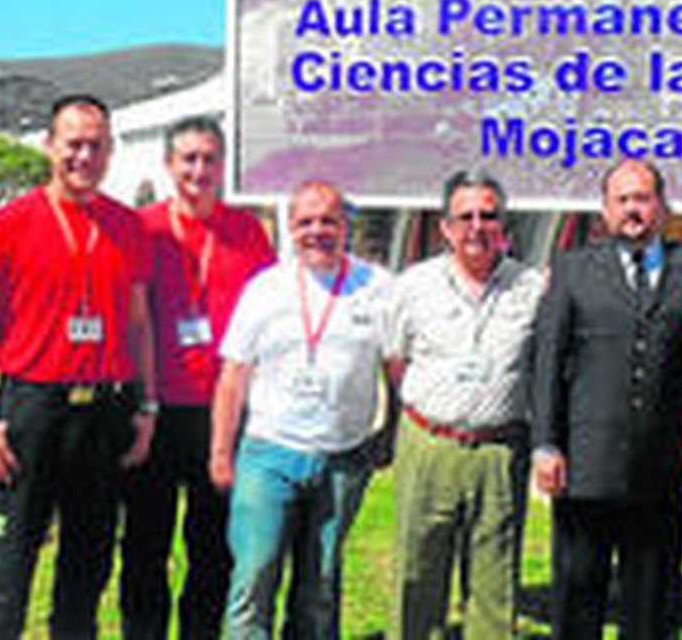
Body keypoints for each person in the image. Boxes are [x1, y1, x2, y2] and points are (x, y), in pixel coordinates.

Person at [0, 94, 157, 636]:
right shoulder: (5, 226)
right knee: (4, 570)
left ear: (111, 150)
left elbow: (139, 326)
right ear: (50, 146)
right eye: (74, 144)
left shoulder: (126, 227)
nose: (85, 156)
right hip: (31, 414)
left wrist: (148, 408)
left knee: (87, 571)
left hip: (104, 415)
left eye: (97, 145)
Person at [531, 159, 682, 639]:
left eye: (643, 198)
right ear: (605, 209)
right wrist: (546, 444)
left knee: (653, 608)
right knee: (578, 599)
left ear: (662, 205)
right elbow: (549, 361)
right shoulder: (572, 269)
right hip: (585, 467)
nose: (633, 210)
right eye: (623, 200)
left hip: (661, 468)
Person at [209, 180, 392, 639]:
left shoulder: (378, 287)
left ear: (345, 224)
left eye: (328, 220)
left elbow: (397, 369)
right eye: (305, 222)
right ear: (290, 228)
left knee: (321, 585)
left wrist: (389, 438)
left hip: (343, 458)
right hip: (269, 454)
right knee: (254, 578)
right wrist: (220, 452)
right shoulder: (265, 289)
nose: (317, 231)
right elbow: (233, 377)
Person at [120, 116, 276, 639]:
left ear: (223, 165)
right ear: (169, 165)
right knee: (145, 544)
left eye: (209, 158)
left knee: (213, 547)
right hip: (156, 411)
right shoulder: (142, 228)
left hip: (223, 414)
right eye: (188, 158)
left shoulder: (248, 232)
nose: (199, 169)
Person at [384, 171, 546, 639]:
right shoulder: (414, 286)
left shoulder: (531, 288)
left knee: (495, 583)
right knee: (417, 575)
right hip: (429, 444)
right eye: (466, 216)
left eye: (488, 216)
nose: (477, 226)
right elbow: (396, 361)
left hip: (500, 450)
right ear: (446, 227)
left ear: (504, 225)